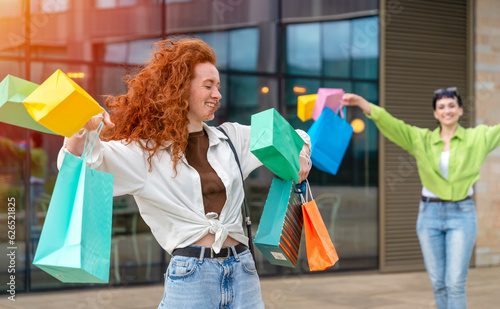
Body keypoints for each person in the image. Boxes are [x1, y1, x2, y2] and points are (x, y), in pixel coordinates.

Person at [58, 38, 311, 308]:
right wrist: (80, 130)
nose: (218, 95)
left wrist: (300, 153)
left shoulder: (232, 138)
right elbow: (79, 167)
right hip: (192, 277)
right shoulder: (145, 154)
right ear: (179, 90)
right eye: (208, 86)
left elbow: (296, 136)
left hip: (244, 271)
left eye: (218, 87)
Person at [342, 88, 500, 309]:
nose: (447, 110)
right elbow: (391, 124)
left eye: (452, 105)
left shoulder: (477, 138)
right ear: (435, 113)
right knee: (438, 283)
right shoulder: (421, 139)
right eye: (441, 107)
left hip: (462, 215)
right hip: (429, 216)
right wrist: (360, 102)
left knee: (455, 283)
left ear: (461, 110)